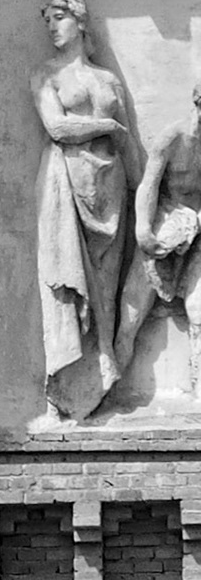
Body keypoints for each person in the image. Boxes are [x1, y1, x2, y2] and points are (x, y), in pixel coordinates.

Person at [33, 0, 139, 421]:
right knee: (68, 284)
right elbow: (56, 127)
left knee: (107, 288)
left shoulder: (108, 79)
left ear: (79, 20)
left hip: (110, 188)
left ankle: (104, 373)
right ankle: (67, 382)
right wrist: (106, 126)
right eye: (48, 21)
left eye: (59, 18)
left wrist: (145, 198)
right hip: (65, 184)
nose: (52, 28)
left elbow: (129, 147)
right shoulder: (46, 75)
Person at [115, 77, 201, 396]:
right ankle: (111, 383)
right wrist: (143, 230)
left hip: (197, 231)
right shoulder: (173, 138)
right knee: (132, 311)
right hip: (164, 226)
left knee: (198, 310)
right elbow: (148, 185)